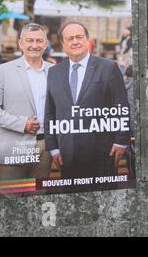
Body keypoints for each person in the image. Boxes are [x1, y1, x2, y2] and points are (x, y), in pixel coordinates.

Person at [44, 21, 131, 189]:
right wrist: (53, 148)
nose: (75, 41)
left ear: (87, 40)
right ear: (63, 44)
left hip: (103, 154)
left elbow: (122, 106)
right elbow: (50, 112)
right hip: (67, 156)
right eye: (70, 38)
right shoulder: (54, 72)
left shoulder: (107, 68)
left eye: (79, 37)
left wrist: (121, 141)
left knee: (105, 204)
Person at [0, 23, 53, 196]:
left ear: (45, 44)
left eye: (39, 40)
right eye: (29, 40)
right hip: (14, 144)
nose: (34, 45)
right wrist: (22, 124)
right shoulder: (4, 70)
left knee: (38, 198)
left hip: (45, 147)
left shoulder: (55, 71)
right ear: (20, 43)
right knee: (11, 200)